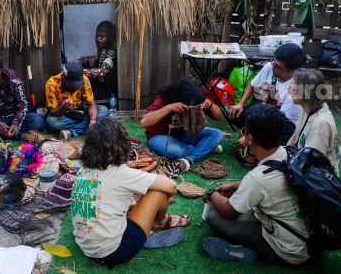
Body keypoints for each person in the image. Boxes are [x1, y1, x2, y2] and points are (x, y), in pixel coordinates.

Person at [71, 118, 190, 268]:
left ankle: (152, 221)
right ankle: (161, 221)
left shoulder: (83, 170)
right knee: (158, 192)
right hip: (114, 252)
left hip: (86, 246)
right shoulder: (120, 173)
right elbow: (171, 187)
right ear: (121, 145)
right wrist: (158, 176)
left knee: (128, 200)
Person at [202, 104, 310, 265]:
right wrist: (239, 185)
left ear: (250, 138)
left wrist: (211, 193)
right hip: (310, 240)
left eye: (245, 131)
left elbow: (229, 212)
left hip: (290, 251)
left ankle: (247, 253)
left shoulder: (257, 178)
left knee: (213, 217)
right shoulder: (290, 153)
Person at [228, 43, 306, 144]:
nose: (273, 68)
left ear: (293, 71)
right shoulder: (269, 67)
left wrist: (251, 137)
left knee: (275, 140)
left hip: (285, 124)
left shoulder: (296, 89)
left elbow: (278, 121)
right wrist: (241, 104)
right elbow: (252, 85)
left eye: (279, 67)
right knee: (234, 114)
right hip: (267, 111)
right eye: (274, 63)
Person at [141, 79, 224, 168]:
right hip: (159, 136)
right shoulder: (164, 99)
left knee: (217, 134)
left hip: (184, 134)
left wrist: (210, 104)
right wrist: (169, 108)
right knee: (175, 151)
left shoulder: (196, 99)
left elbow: (220, 117)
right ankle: (206, 149)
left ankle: (192, 157)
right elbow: (144, 122)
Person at [0, 57, 44, 140]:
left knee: (37, 122)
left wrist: (16, 123)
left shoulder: (14, 82)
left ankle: (11, 133)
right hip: (0, 120)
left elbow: (22, 105)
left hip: (17, 116)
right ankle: (22, 136)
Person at [288, 68, 340, 174]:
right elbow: (295, 134)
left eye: (292, 87)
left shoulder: (320, 123)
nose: (289, 90)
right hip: (303, 162)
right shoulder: (307, 108)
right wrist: (285, 152)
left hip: (318, 179)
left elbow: (311, 163)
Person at [45, 62, 109, 140]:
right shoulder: (51, 84)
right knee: (51, 122)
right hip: (62, 115)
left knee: (104, 110)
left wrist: (92, 121)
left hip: (80, 112)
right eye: (73, 84)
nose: (76, 87)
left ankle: (70, 132)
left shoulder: (84, 78)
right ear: (64, 78)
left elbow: (91, 104)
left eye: (78, 83)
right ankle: (87, 128)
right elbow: (52, 112)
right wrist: (64, 107)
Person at [82, 20, 117, 100]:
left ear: (110, 37)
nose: (98, 39)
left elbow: (101, 72)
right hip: (100, 85)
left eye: (102, 36)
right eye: (97, 35)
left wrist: (80, 71)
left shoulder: (112, 51)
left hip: (108, 90)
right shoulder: (102, 48)